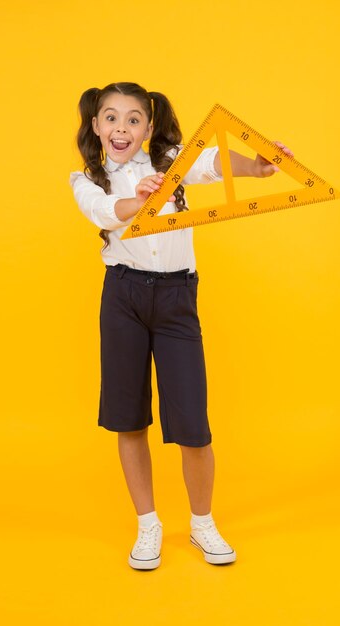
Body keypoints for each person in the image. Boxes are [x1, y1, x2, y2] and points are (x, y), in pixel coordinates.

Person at [70, 82, 293, 570]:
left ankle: (202, 523)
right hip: (123, 298)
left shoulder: (172, 161)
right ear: (96, 126)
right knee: (128, 417)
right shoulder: (86, 179)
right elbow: (104, 212)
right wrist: (141, 201)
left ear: (148, 128)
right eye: (111, 118)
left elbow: (214, 160)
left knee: (193, 424)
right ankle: (148, 525)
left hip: (176, 299)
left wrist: (255, 167)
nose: (121, 128)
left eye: (133, 119)